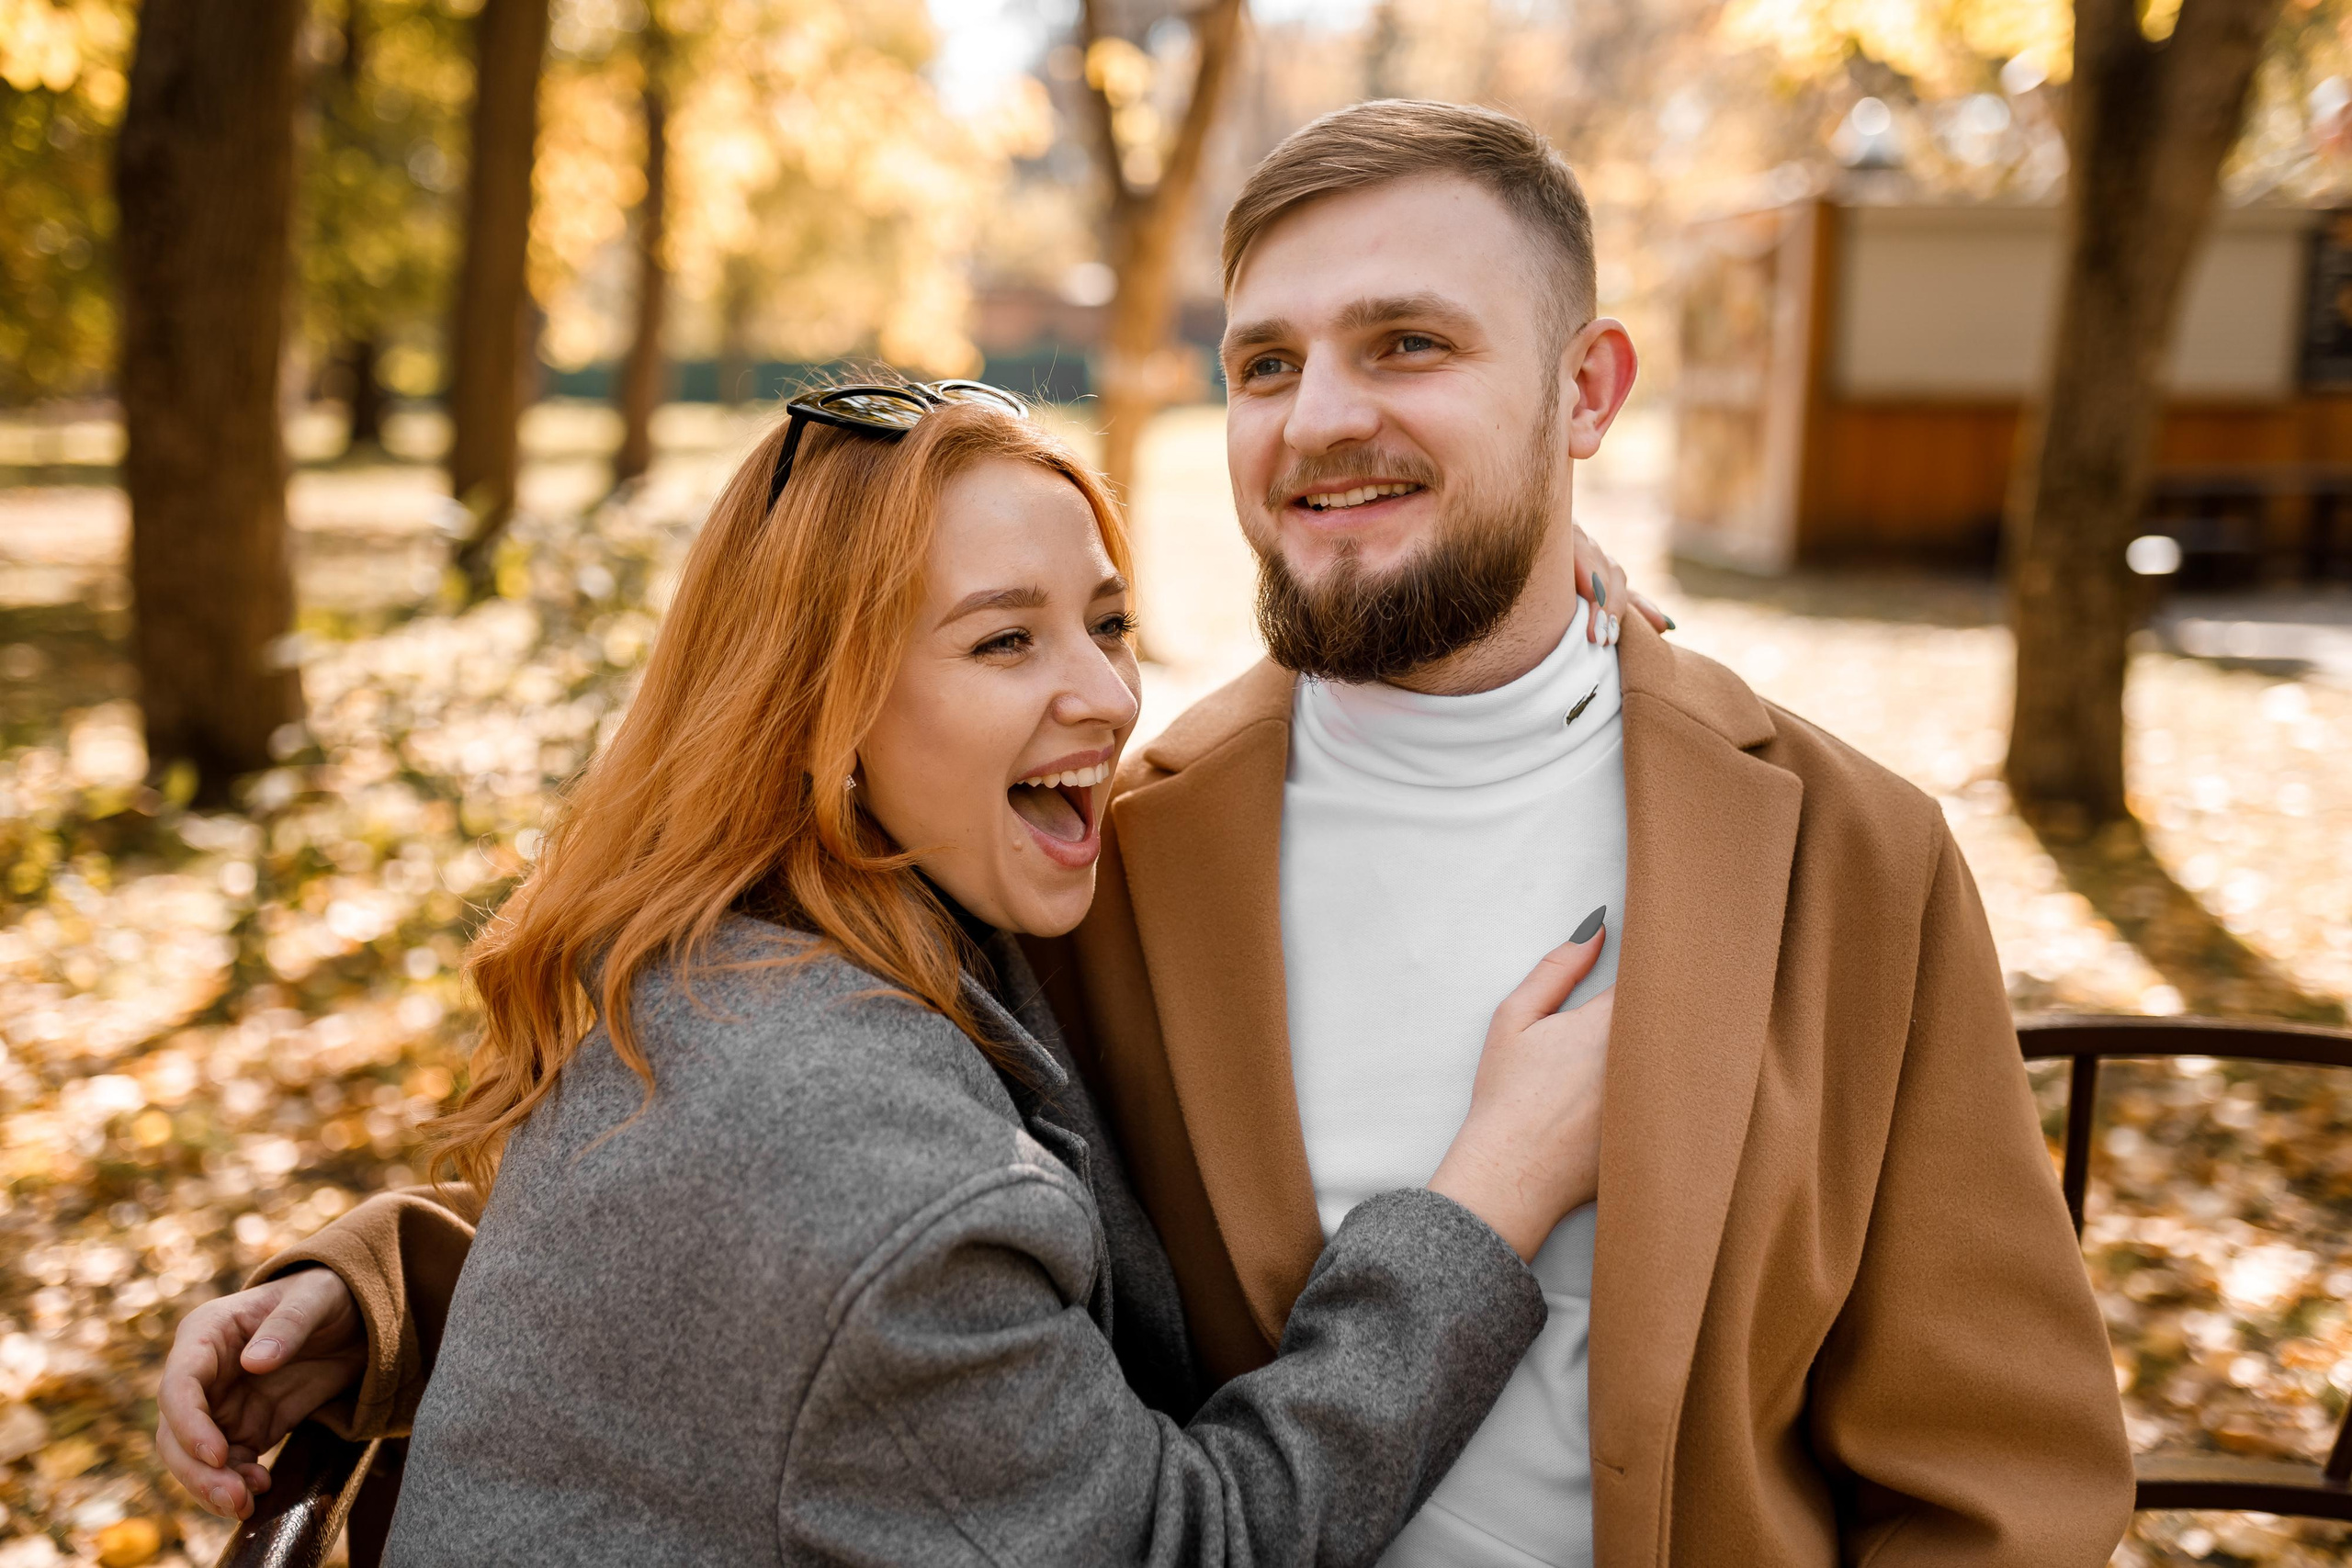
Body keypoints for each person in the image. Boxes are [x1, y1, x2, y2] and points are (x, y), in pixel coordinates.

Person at [171, 96, 2137, 1565]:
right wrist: (398, 1288)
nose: (1316, 415)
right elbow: (825, 1224)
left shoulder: (1843, 856)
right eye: (1263, 361)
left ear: (1585, 392)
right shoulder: (1112, 845)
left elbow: (2001, 1473)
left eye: (1408, 345)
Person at [156, 378, 1640, 1565]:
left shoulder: (715, 933)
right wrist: (1493, 1190)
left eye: (1108, 622)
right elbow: (1197, 1543)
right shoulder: (894, 1177)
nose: (1111, 693)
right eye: (1006, 640)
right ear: (822, 706)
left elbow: (721, 1310)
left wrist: (1495, 551)